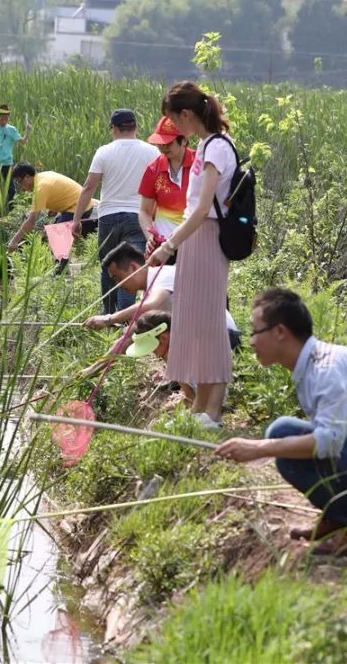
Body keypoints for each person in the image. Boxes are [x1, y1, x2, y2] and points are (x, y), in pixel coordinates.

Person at [214, 288, 347, 555]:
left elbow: (329, 442)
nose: (252, 341)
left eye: (256, 331)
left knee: (281, 437)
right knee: (281, 431)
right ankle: (341, 519)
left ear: (280, 332)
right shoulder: (312, 365)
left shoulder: (327, 368)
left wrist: (259, 448)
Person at [147, 81, 234, 425]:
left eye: (173, 120)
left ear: (186, 115)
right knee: (195, 322)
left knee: (209, 323)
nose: (174, 128)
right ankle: (199, 404)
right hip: (195, 240)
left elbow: (201, 210)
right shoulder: (206, 145)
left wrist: (169, 245)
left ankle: (212, 410)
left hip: (207, 237)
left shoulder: (217, 148)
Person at [71, 109, 159, 315]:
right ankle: (124, 321)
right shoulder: (152, 152)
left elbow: (88, 186)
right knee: (129, 269)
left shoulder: (103, 151)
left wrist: (76, 219)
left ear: (114, 129)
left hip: (108, 217)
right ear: (136, 127)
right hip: (138, 216)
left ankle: (108, 315)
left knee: (107, 266)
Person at [84, 242, 241, 351]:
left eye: (118, 277)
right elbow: (127, 339)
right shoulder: (149, 293)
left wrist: (108, 319)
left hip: (223, 338)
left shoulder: (162, 275)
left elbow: (150, 305)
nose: (118, 285)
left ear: (133, 267)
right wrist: (91, 370)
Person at [6, 163, 98, 250]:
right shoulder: (45, 175)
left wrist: (14, 241)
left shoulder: (41, 188)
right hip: (80, 204)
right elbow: (60, 190)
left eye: (20, 182)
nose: (21, 187)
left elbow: (31, 221)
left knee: (55, 240)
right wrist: (55, 208)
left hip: (81, 209)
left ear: (27, 176)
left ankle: (60, 265)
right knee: (50, 233)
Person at [138, 116, 195, 241]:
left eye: (168, 143)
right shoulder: (153, 169)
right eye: (160, 143)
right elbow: (145, 211)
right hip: (163, 245)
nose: (163, 147)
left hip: (196, 242)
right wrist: (150, 238)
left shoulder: (199, 164)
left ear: (184, 140)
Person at [0, 104, 30, 210]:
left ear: (9, 118)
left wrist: (28, 131)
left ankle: (12, 210)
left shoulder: (11, 130)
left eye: (6, 119)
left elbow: (23, 142)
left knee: (11, 189)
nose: (3, 121)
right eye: (1, 119)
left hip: (7, 162)